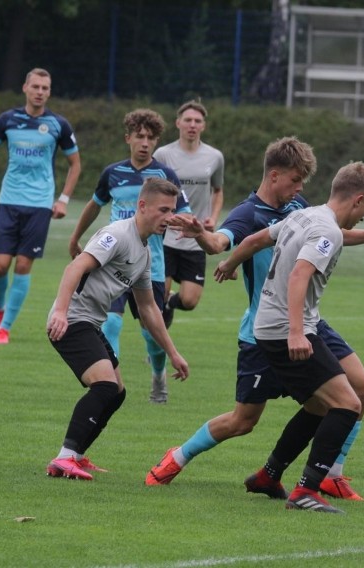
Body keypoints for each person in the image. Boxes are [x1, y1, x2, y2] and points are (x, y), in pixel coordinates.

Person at [145, 138, 364, 502]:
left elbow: (327, 233)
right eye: (296, 179)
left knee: (360, 389)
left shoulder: (298, 208)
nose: (301, 188)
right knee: (244, 421)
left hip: (306, 321)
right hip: (268, 330)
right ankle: (177, 457)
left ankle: (328, 474)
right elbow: (223, 241)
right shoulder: (247, 212)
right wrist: (207, 240)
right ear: (274, 176)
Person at [211, 161, 364, 513]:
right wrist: (295, 332)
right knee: (348, 404)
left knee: (320, 406)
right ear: (359, 199)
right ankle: (307, 490)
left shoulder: (304, 216)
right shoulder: (328, 231)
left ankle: (269, 475)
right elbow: (299, 276)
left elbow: (258, 239)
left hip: (272, 325)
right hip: (285, 329)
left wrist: (230, 264)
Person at [45, 177, 189, 481]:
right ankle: (64, 457)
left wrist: (173, 353)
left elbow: (148, 308)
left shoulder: (144, 251)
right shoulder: (117, 235)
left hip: (89, 322)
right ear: (142, 206)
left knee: (117, 393)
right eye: (163, 209)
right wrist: (59, 311)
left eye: (172, 210)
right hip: (72, 320)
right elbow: (75, 267)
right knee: (105, 387)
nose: (169, 217)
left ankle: (77, 456)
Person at [68, 109, 190, 404]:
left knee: (151, 331)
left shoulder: (165, 176)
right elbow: (95, 205)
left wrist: (189, 227)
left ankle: (159, 377)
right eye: (139, 136)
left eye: (150, 137)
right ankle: (109, 383)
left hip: (151, 266)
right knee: (111, 322)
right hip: (113, 264)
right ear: (129, 139)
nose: (145, 142)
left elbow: (183, 214)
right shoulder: (113, 173)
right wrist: (76, 237)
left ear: (156, 140)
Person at [0, 67, 81, 345]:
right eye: (35, 87)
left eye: (45, 88)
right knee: (0, 266)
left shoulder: (59, 125)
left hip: (39, 205)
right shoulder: (8, 120)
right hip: (9, 200)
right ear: (25, 88)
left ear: (49, 92)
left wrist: (63, 199)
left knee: (23, 265)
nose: (40, 92)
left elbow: (75, 164)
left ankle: (5, 327)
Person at [152, 100, 224, 328]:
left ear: (203, 126)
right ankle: (158, 353)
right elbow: (152, 190)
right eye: (188, 120)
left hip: (195, 239)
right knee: (156, 297)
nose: (192, 125)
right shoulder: (163, 155)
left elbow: (218, 190)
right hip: (167, 237)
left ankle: (172, 303)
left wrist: (213, 217)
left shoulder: (214, 157)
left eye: (197, 121)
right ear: (178, 123)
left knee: (190, 300)